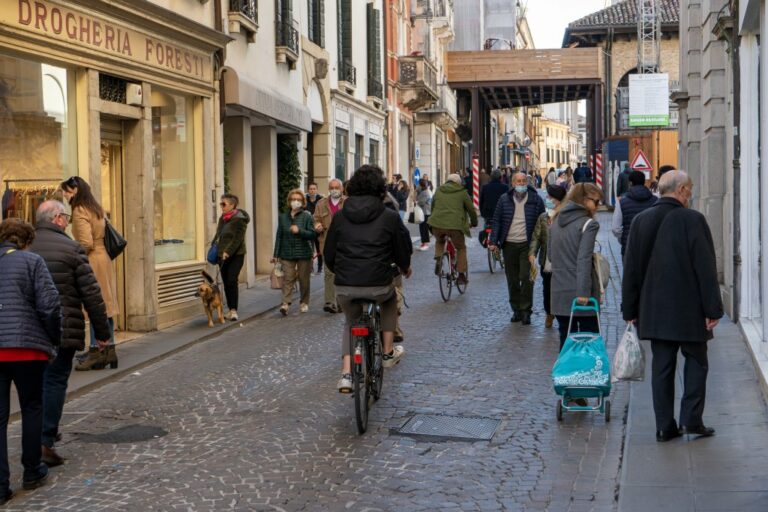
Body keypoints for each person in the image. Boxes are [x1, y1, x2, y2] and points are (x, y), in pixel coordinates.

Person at [622, 171, 723, 442]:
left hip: (654, 308)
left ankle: (664, 426)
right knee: (697, 363)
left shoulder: (642, 221)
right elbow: (705, 268)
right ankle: (691, 420)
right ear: (680, 190)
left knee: (662, 368)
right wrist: (713, 309)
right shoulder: (693, 220)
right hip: (689, 308)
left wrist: (629, 310)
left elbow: (631, 269)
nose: (690, 194)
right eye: (689, 189)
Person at [29, 201, 111, 467]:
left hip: (28, 331)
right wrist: (102, 333)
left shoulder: (22, 247)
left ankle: (36, 438)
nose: (67, 222)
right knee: (54, 382)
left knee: (33, 386)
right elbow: (91, 294)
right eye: (65, 217)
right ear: (57, 219)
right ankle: (45, 438)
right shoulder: (72, 248)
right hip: (62, 328)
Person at [323, 165, 412, 393]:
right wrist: (404, 267)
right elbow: (403, 248)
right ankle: (388, 351)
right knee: (390, 301)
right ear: (380, 188)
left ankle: (346, 374)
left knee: (351, 322)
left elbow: (329, 253)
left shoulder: (341, 216)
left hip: (345, 285)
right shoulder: (390, 216)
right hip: (378, 283)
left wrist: (339, 272)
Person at [0, 218, 61, 502]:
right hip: (27, 348)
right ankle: (32, 470)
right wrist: (53, 340)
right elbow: (50, 306)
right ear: (25, 240)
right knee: (31, 407)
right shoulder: (32, 261)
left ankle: (1, 486)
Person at [60, 176, 119, 371]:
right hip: (104, 259)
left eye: (66, 191)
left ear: (75, 191)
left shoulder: (79, 210)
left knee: (95, 306)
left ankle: (96, 351)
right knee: (106, 305)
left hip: (93, 260)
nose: (64, 195)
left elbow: (86, 243)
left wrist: (72, 256)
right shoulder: (95, 207)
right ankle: (109, 350)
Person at [549, 183, 604, 349]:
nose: (598, 206)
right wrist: (583, 292)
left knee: (565, 342)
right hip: (581, 293)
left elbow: (551, 256)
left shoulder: (556, 219)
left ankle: (565, 374)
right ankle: (586, 374)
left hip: (559, 291)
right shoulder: (589, 224)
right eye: (596, 202)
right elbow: (584, 259)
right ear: (585, 200)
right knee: (589, 342)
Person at [489, 172, 546, 324]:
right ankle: (516, 310)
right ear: (513, 183)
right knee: (512, 279)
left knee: (526, 278)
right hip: (508, 244)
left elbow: (543, 222)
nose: (521, 184)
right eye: (518, 181)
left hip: (527, 245)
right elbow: (497, 221)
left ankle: (526, 310)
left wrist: (541, 243)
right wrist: (493, 241)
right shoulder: (504, 199)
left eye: (523, 181)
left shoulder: (535, 199)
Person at [528, 184, 567, 329]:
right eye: (548, 197)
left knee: (562, 290)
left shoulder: (565, 216)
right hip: (547, 261)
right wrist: (532, 253)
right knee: (547, 290)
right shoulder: (543, 218)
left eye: (551, 197)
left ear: (559, 200)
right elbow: (536, 237)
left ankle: (563, 314)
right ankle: (549, 313)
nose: (548, 199)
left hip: (563, 261)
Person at [428, 173, 478, 285]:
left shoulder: (438, 191)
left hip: (437, 224)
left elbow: (433, 206)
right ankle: (461, 275)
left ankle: (439, 259)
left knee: (439, 241)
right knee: (461, 248)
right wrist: (474, 223)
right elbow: (471, 210)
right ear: (458, 183)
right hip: (455, 226)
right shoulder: (462, 193)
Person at [273, 189, 316, 315]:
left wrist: (300, 231)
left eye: (298, 199)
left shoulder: (307, 216)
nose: (295, 202)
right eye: (293, 199)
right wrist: (276, 254)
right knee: (288, 278)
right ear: (289, 201)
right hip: (286, 253)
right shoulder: (283, 217)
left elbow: (312, 234)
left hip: (304, 253)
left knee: (304, 279)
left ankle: (304, 302)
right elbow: (279, 236)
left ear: (302, 202)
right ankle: (285, 303)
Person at [212, 193, 250, 321]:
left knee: (232, 280)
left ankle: (234, 310)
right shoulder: (223, 218)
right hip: (221, 255)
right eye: (220, 203)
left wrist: (228, 251)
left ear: (232, 205)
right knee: (226, 282)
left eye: (224, 204)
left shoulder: (240, 219)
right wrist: (214, 246)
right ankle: (229, 309)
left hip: (236, 255)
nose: (221, 206)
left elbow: (238, 239)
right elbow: (219, 234)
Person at [313, 179, 345, 314]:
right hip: (326, 243)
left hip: (344, 243)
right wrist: (317, 226)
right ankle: (329, 302)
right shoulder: (321, 204)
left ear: (342, 189)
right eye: (331, 187)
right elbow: (316, 219)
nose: (334, 190)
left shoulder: (348, 203)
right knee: (328, 273)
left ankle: (341, 302)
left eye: (336, 187)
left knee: (343, 273)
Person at [612, 170, 657, 256]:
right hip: (651, 247)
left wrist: (624, 238)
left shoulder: (621, 202)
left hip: (629, 248)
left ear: (630, 183)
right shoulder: (656, 200)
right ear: (644, 182)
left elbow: (616, 228)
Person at [305, 183, 323, 274]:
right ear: (308, 190)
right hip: (309, 228)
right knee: (310, 249)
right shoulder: (305, 200)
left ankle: (320, 267)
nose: (312, 190)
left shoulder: (321, 200)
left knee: (319, 248)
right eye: (310, 189)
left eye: (314, 189)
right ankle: (310, 268)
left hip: (318, 228)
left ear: (317, 190)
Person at [416, 179, 432, 251]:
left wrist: (417, 201)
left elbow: (421, 202)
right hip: (423, 212)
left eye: (419, 185)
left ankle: (425, 243)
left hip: (426, 213)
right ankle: (423, 242)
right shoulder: (422, 192)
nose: (417, 186)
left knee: (424, 228)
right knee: (422, 228)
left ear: (421, 185)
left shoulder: (425, 192)